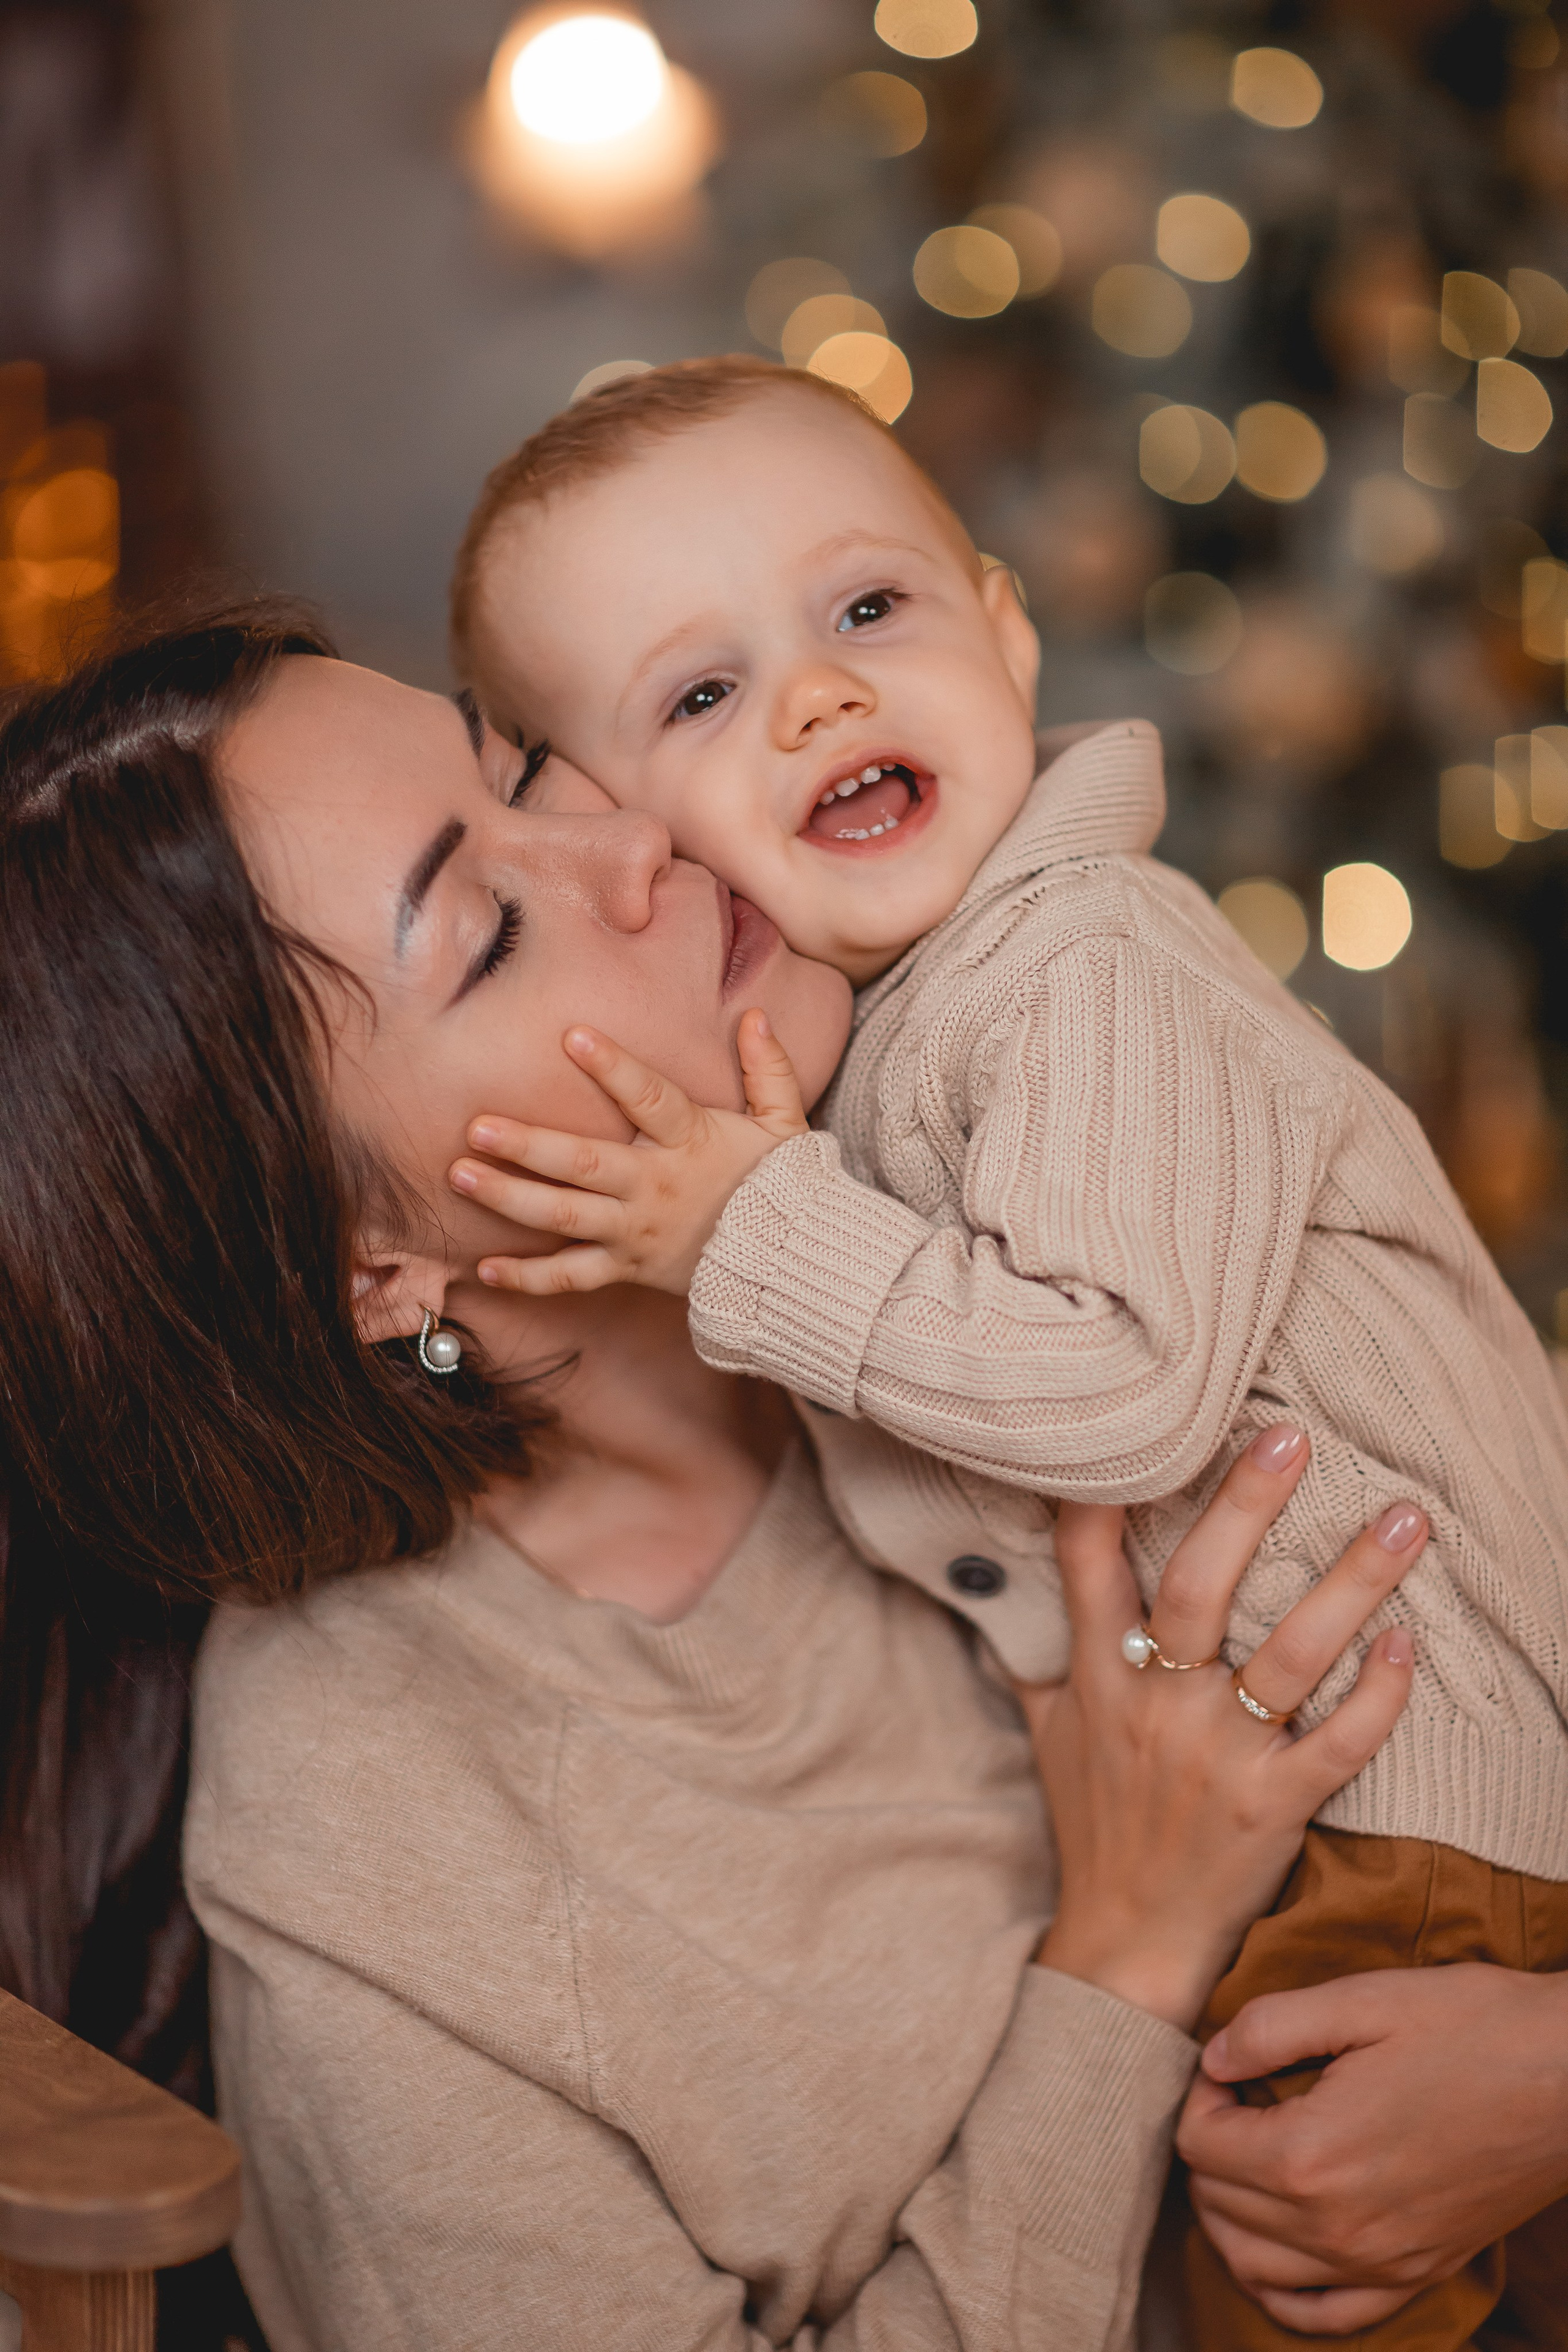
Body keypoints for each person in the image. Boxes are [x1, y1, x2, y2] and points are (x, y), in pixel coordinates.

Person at [0, 603, 1419, 2352]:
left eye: (520, 762)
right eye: (491, 931)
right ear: (362, 1264)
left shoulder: (1035, 1183)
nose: (635, 837)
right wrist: (1127, 1957)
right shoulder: (376, 1832)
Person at [446, 353, 1568, 2347]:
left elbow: (1125, 1383)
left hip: (1411, 1788)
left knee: (1307, 2279)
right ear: (636, 840)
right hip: (1323, 1784)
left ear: (1009, 631)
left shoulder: (1083, 969)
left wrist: (746, 1228)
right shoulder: (926, 1025)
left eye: (870, 609)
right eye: (700, 696)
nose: (818, 697)